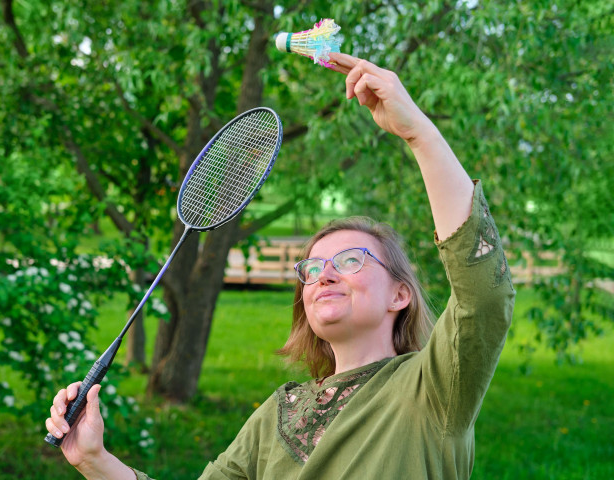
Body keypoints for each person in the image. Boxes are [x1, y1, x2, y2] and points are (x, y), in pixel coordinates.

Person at [45, 52, 516, 479]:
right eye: (311, 269)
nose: (324, 275)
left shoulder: (434, 389)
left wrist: (418, 133)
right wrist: (93, 459)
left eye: (350, 260)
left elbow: (484, 294)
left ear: (400, 294)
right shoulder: (277, 415)